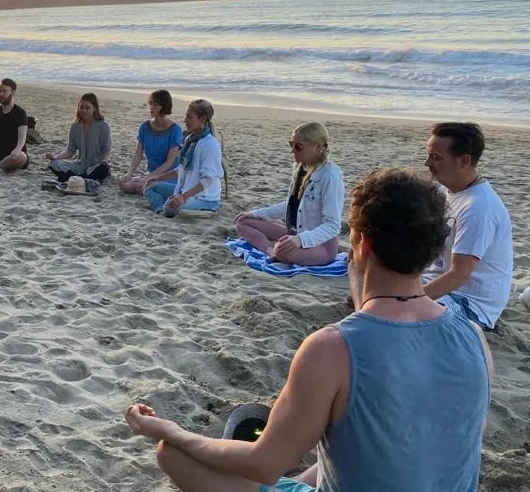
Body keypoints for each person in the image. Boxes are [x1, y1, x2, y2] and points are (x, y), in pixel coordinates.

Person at [125, 168, 492, 492]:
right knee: (372, 433)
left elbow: (264, 465)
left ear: (361, 244)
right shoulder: (473, 337)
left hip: (273, 456)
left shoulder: (333, 348)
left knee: (174, 453)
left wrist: (169, 430)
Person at [422, 122, 513, 330]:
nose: (427, 163)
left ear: (464, 161)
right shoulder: (447, 191)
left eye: (436, 158)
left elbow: (459, 274)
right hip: (437, 283)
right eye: (428, 155)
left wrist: (408, 300)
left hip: (469, 301)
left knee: (400, 312)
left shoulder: (478, 208)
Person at [234, 122, 344, 265]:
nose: (292, 151)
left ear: (318, 146)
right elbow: (292, 205)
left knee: (282, 250)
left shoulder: (329, 176)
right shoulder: (301, 168)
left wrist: (300, 240)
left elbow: (332, 225)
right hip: (294, 233)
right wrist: (257, 214)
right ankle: (270, 249)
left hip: (321, 245)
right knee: (242, 222)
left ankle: (276, 250)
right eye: (291, 144)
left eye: (298, 147)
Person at [143, 99, 224, 216]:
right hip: (185, 190)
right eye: (186, 116)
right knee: (151, 186)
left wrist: (182, 197)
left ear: (202, 119)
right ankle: (161, 211)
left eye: (190, 117)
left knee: (170, 205)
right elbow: (181, 170)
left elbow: (208, 180)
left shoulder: (209, 144)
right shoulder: (190, 140)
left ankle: (204, 210)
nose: (185, 120)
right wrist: (158, 178)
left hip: (205, 198)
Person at [118, 90, 182, 194]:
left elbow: (170, 162)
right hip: (151, 173)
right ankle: (148, 187)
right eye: (150, 103)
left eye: (155, 105)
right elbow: (138, 154)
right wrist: (130, 172)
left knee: (151, 185)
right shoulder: (145, 127)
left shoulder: (175, 130)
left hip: (168, 176)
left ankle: (151, 188)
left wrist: (150, 177)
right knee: (124, 183)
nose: (151, 107)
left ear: (164, 106)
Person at [45, 93, 112, 182]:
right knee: (54, 164)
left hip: (96, 166)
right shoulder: (75, 126)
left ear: (94, 109)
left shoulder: (104, 126)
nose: (84, 110)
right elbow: (70, 151)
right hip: (80, 165)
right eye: (81, 107)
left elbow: (106, 150)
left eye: (87, 108)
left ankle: (75, 178)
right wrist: (56, 156)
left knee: (103, 169)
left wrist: (105, 161)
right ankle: (83, 179)